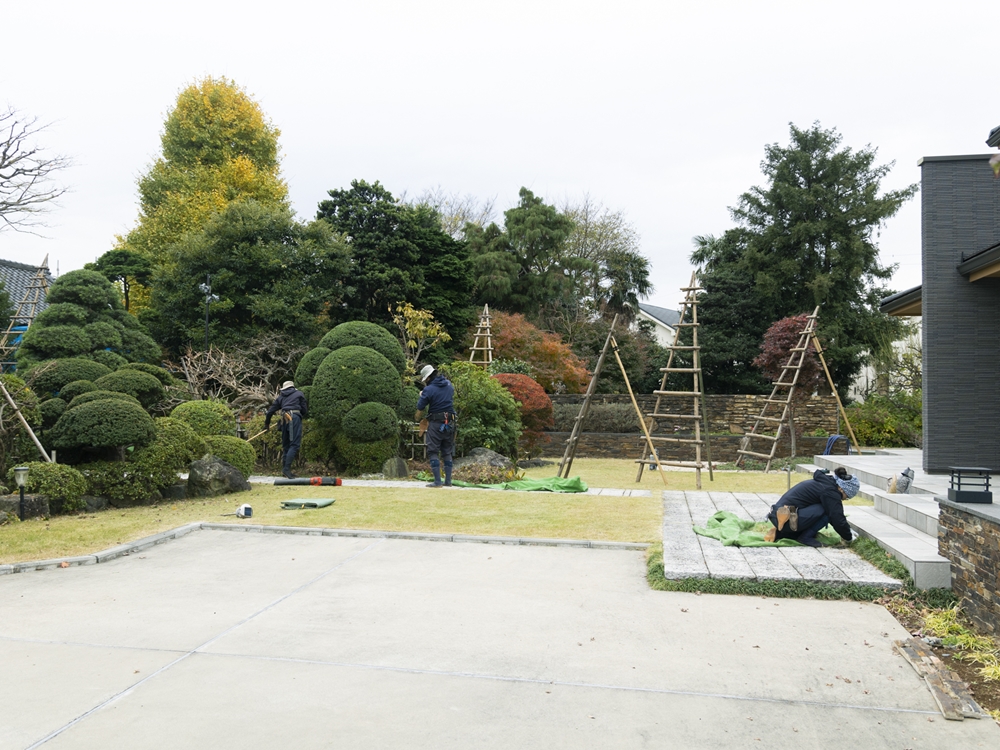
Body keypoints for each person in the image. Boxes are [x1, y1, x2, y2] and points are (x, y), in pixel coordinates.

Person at [764, 467, 859, 547]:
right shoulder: (830, 492)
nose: (843, 500)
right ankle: (805, 537)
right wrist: (849, 538)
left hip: (779, 515)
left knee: (826, 508)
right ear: (842, 490)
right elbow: (837, 517)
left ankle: (781, 533)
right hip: (789, 519)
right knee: (827, 510)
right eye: (846, 497)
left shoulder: (825, 483)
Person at [414, 364, 456, 488]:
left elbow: (420, 408)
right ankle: (448, 481)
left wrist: (417, 417)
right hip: (450, 423)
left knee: (433, 451)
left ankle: (437, 481)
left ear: (427, 378)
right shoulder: (448, 385)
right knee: (447, 451)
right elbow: (443, 395)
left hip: (436, 423)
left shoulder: (429, 390)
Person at [264, 380, 308, 479]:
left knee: (286, 445)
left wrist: (266, 424)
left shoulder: (281, 397)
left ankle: (285, 470)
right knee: (294, 444)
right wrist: (300, 414)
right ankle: (286, 469)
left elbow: (270, 411)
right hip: (293, 418)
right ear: (293, 387)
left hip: (284, 419)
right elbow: (304, 410)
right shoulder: (299, 394)